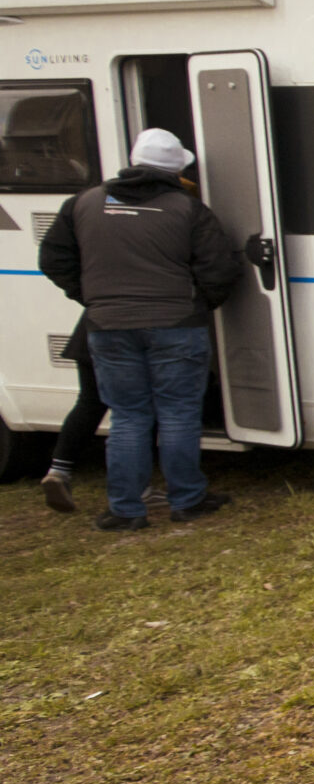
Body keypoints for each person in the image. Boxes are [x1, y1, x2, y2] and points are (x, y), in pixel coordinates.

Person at [37, 129, 241, 531]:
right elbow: (219, 269)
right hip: (176, 325)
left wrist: (92, 297)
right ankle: (187, 500)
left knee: (128, 416)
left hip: (108, 325)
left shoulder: (83, 203)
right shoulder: (188, 209)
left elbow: (53, 259)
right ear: (177, 170)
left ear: (133, 161)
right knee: (178, 413)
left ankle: (126, 510)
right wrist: (196, 305)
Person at [37, 316, 108, 514]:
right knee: (135, 412)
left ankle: (58, 471)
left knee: (89, 403)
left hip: (90, 332)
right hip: (126, 337)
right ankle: (137, 485)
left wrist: (91, 301)